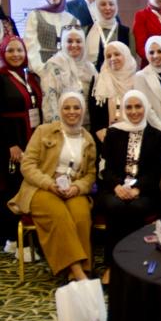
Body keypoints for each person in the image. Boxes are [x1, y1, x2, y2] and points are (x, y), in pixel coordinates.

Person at [10, 91, 96, 282]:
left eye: (76, 107)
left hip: (72, 189)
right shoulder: (44, 131)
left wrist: (77, 188)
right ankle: (79, 273)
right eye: (67, 107)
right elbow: (27, 165)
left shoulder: (88, 139)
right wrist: (49, 184)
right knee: (59, 215)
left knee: (81, 215)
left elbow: (90, 175)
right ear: (60, 110)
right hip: (41, 188)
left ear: (83, 110)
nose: (72, 112)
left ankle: (80, 270)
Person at [96, 89, 161, 283]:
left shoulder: (157, 136)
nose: (134, 111)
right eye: (129, 107)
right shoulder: (113, 133)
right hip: (114, 189)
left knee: (136, 207)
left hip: (145, 190)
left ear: (145, 108)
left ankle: (133, 261)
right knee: (115, 206)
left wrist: (137, 189)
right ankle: (113, 264)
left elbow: (155, 171)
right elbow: (106, 168)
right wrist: (117, 187)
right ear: (123, 109)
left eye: (138, 106)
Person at [0, 36, 43, 251]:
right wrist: (10, 144)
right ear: (3, 53)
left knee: (31, 186)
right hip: (11, 141)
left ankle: (31, 237)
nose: (16, 55)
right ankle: (14, 238)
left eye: (19, 50)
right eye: (10, 51)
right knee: (14, 189)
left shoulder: (30, 77)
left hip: (32, 137)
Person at [41, 26, 96, 125]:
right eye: (69, 41)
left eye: (78, 41)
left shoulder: (90, 68)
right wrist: (56, 128)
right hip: (62, 126)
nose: (74, 45)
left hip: (87, 125)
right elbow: (50, 101)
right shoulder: (53, 66)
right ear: (63, 43)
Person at [24, 0, 75, 73]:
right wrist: (41, 70)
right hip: (40, 72)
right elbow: (30, 46)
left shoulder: (73, 20)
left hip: (66, 73)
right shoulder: (35, 15)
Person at [90, 40, 138, 140]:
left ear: (126, 55)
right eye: (108, 56)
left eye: (117, 54)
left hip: (134, 135)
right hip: (106, 137)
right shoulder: (98, 81)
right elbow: (95, 116)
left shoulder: (138, 79)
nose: (112, 58)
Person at [85, 0, 131, 70]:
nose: (107, 8)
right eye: (103, 4)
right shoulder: (86, 31)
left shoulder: (126, 32)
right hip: (93, 75)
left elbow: (130, 59)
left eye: (111, 4)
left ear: (116, 7)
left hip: (119, 75)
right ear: (96, 7)